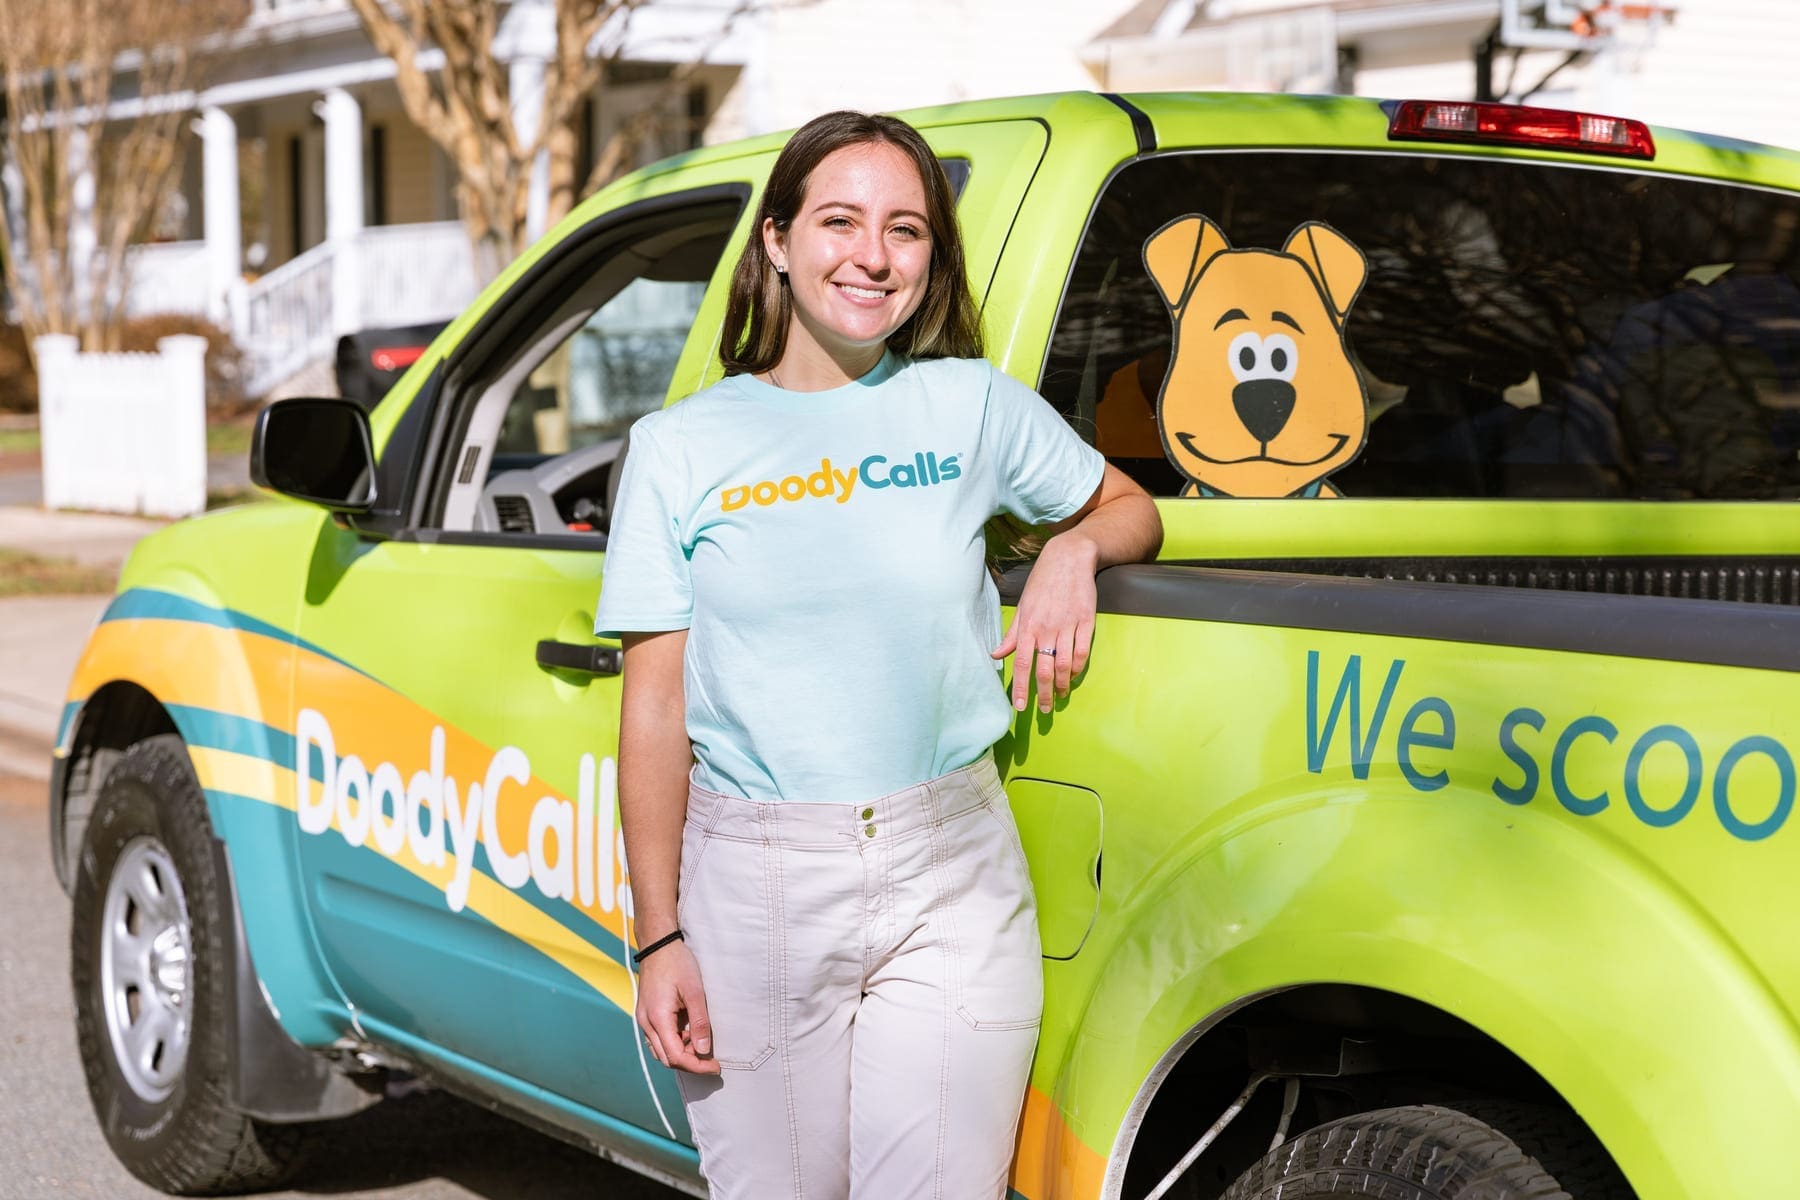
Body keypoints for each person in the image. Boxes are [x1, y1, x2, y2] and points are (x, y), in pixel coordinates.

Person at [594, 109, 1163, 1199]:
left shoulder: (972, 407)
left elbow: (1128, 505)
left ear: (931, 258)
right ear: (777, 240)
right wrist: (658, 934)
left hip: (950, 865)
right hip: (758, 879)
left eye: (905, 230)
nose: (872, 255)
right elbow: (654, 706)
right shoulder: (678, 450)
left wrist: (1071, 551)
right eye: (841, 221)